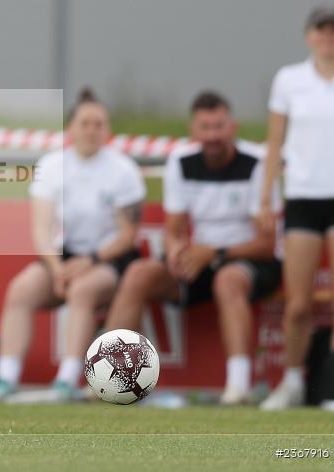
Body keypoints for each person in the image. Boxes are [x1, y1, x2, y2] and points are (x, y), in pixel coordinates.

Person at [105, 91, 282, 406]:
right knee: (139, 273)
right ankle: (110, 381)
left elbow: (266, 245)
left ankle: (238, 387)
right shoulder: (181, 162)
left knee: (228, 279)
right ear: (193, 131)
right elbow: (174, 231)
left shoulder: (256, 163)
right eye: (206, 127)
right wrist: (175, 250)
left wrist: (215, 252)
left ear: (233, 127)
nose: (213, 135)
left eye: (219, 126)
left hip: (249, 260)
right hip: (202, 258)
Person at [0, 89, 146, 403]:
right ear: (70, 129)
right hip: (63, 257)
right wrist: (58, 270)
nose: (92, 130)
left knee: (82, 291)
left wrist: (90, 261)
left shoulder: (123, 171)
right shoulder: (52, 165)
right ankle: (5, 377)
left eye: (99, 124)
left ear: (107, 130)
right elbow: (41, 231)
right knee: (21, 290)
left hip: (109, 258)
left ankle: (67, 380)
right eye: (85, 123)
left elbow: (128, 236)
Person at [258, 6, 334, 411]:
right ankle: (291, 381)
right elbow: (276, 143)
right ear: (309, 36)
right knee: (298, 304)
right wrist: (265, 197)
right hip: (303, 198)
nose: (328, 37)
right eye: (321, 30)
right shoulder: (289, 80)